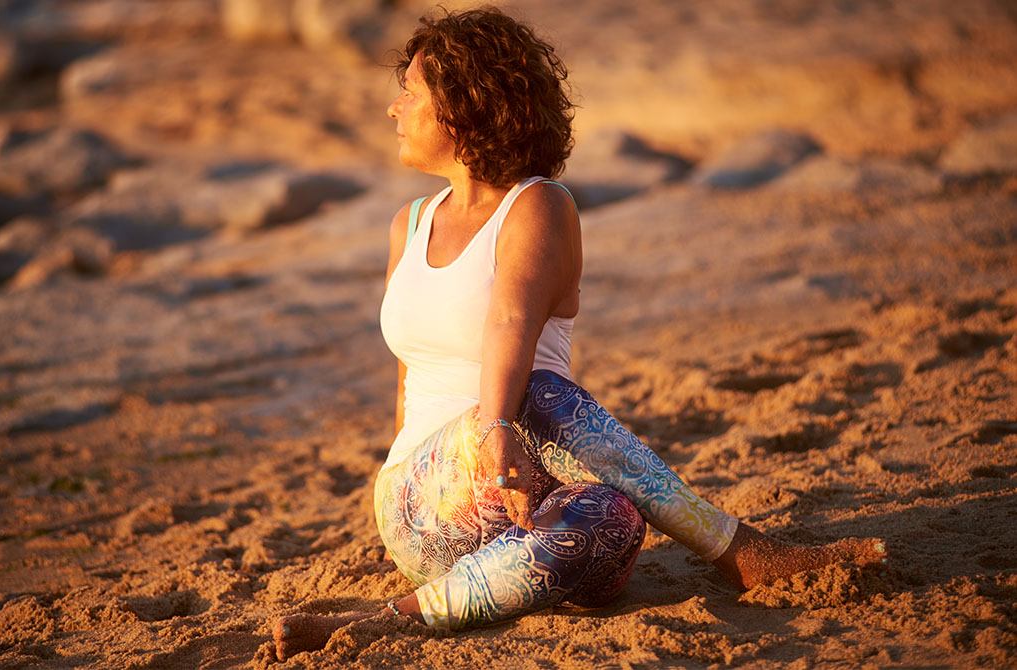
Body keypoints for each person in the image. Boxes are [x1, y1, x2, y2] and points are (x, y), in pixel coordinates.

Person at [273, 7, 886, 660]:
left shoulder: (537, 205)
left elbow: (510, 318)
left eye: (410, 94)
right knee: (532, 393)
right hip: (426, 503)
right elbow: (407, 376)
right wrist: (484, 435)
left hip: (525, 494)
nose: (394, 110)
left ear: (463, 107)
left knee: (612, 516)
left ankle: (399, 615)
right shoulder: (411, 221)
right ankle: (739, 550)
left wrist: (498, 428)